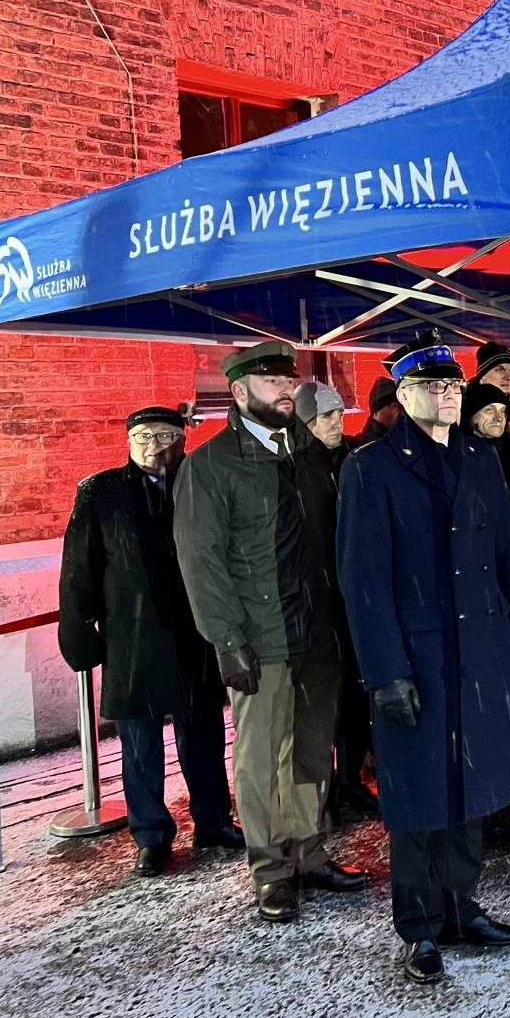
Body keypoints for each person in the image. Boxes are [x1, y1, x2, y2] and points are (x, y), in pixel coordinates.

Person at [337, 330, 510, 984]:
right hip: (416, 661)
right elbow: (364, 583)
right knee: (421, 797)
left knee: (472, 785)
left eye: (453, 385)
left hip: (477, 650)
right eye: (432, 386)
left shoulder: (481, 457)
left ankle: (460, 906)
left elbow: (508, 557)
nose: (448, 395)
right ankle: (420, 928)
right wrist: (385, 671)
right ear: (405, 393)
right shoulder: (372, 468)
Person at [173, 342, 366, 923]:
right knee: (261, 758)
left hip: (318, 633)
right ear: (238, 393)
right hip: (261, 637)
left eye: (289, 379)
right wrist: (226, 640)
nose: (286, 389)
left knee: (311, 751)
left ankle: (308, 850)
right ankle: (270, 869)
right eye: (271, 382)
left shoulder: (308, 455)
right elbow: (201, 562)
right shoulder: (209, 467)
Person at [58, 406, 242, 878]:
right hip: (131, 634)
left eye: (164, 435)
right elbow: (80, 565)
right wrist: (78, 630)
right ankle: (151, 835)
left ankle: (214, 820)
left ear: (183, 439)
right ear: (127, 440)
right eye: (142, 435)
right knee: (139, 744)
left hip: (193, 631)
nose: (153, 444)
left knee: (202, 733)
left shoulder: (198, 482)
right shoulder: (101, 492)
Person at [295, 380, 378, 820]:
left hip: (350, 596)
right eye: (326, 417)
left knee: (352, 699)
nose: (336, 423)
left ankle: (349, 780)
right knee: (318, 708)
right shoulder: (294, 467)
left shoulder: (351, 457)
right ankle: (322, 792)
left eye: (339, 415)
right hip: (316, 601)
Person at [361, 376, 401, 443]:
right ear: (376, 412)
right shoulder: (358, 445)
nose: (399, 411)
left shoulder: (405, 437)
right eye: (394, 406)